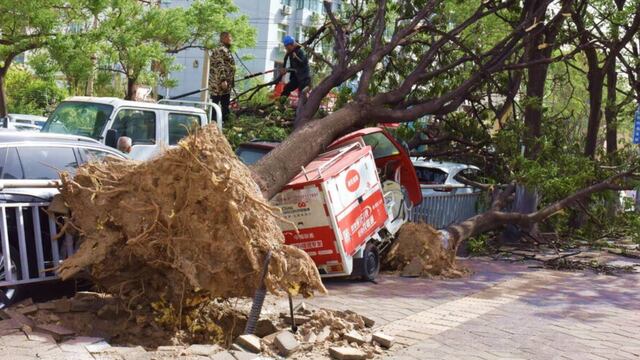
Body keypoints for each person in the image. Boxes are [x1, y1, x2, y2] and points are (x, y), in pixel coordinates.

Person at [209, 32, 235, 122]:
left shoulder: (226, 49)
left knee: (225, 104)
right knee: (216, 104)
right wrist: (223, 80)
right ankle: (213, 125)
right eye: (229, 37)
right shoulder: (220, 49)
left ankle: (225, 124)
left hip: (226, 84)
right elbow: (220, 65)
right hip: (218, 83)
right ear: (223, 38)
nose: (231, 39)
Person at [280, 35, 311, 102]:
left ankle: (303, 109)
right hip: (296, 77)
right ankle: (280, 103)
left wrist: (296, 57)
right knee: (287, 88)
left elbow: (303, 64)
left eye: (287, 47)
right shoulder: (290, 53)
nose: (286, 49)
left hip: (304, 78)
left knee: (302, 95)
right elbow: (293, 67)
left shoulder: (301, 51)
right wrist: (286, 70)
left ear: (291, 45)